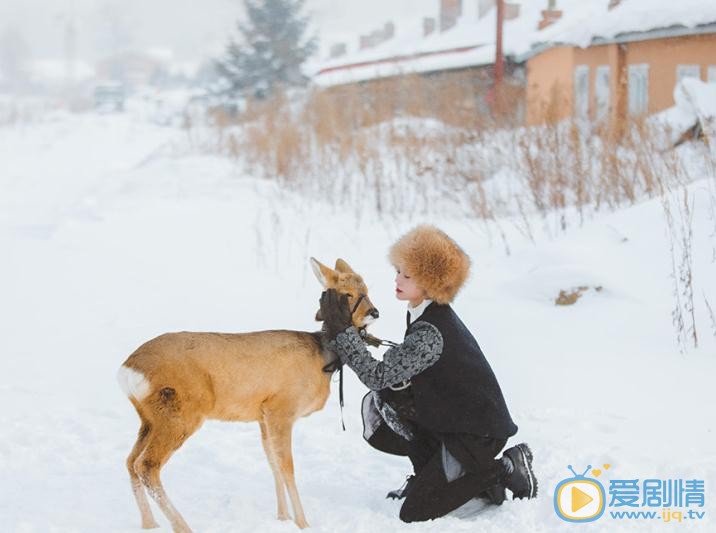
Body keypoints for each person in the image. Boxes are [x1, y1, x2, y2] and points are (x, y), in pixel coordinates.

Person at [319, 224, 537, 523]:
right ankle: (453, 479)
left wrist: (344, 333)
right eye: (398, 270)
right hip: (451, 422)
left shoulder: (431, 332)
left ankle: (505, 468)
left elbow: (377, 375)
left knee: (416, 511)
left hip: (476, 437)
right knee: (387, 401)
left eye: (407, 276)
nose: (397, 279)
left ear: (432, 283)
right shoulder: (422, 311)